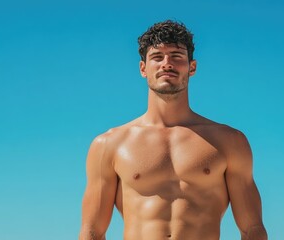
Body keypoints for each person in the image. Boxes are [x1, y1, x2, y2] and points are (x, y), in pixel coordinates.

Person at [79, 20, 267, 240]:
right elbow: (92, 231)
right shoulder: (110, 144)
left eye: (177, 56)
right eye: (157, 57)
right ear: (143, 68)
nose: (166, 64)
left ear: (192, 67)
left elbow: (252, 228)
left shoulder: (229, 141)